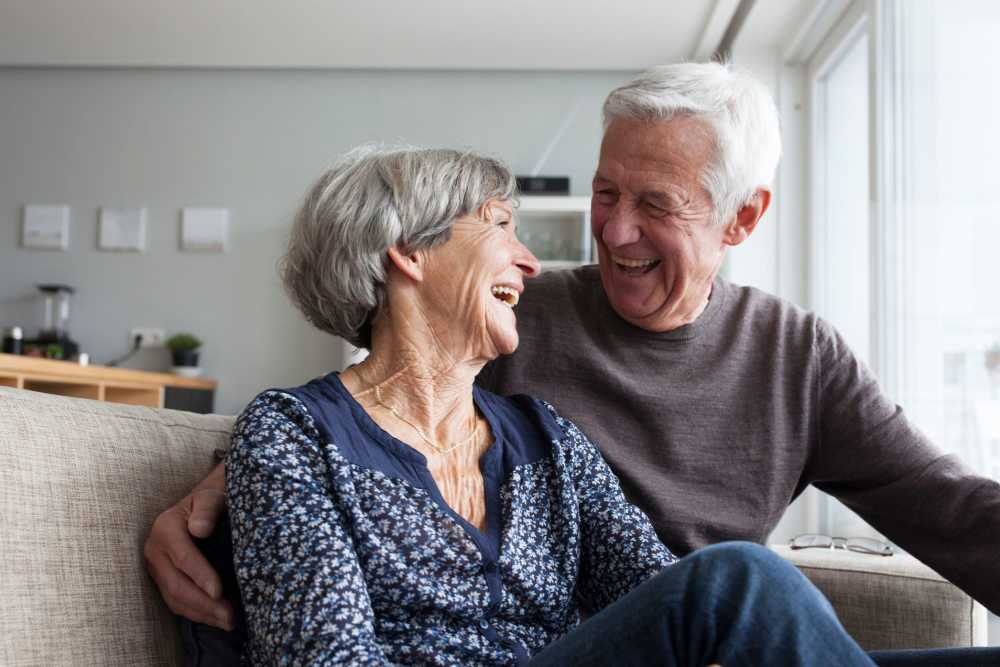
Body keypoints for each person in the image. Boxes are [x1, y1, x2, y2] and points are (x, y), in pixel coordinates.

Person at [144, 63, 1000, 661]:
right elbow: (359, 419)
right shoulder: (513, 326)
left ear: (740, 219)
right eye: (605, 192)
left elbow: (949, 508)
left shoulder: (788, 360)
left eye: (655, 204)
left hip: (703, 640)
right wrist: (222, 488)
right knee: (743, 580)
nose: (610, 231)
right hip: (659, 628)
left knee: (738, 591)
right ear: (409, 253)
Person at [217, 144, 873, 665]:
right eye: (501, 226)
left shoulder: (545, 436)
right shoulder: (295, 433)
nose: (530, 263)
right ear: (410, 252)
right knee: (740, 581)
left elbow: (658, 597)